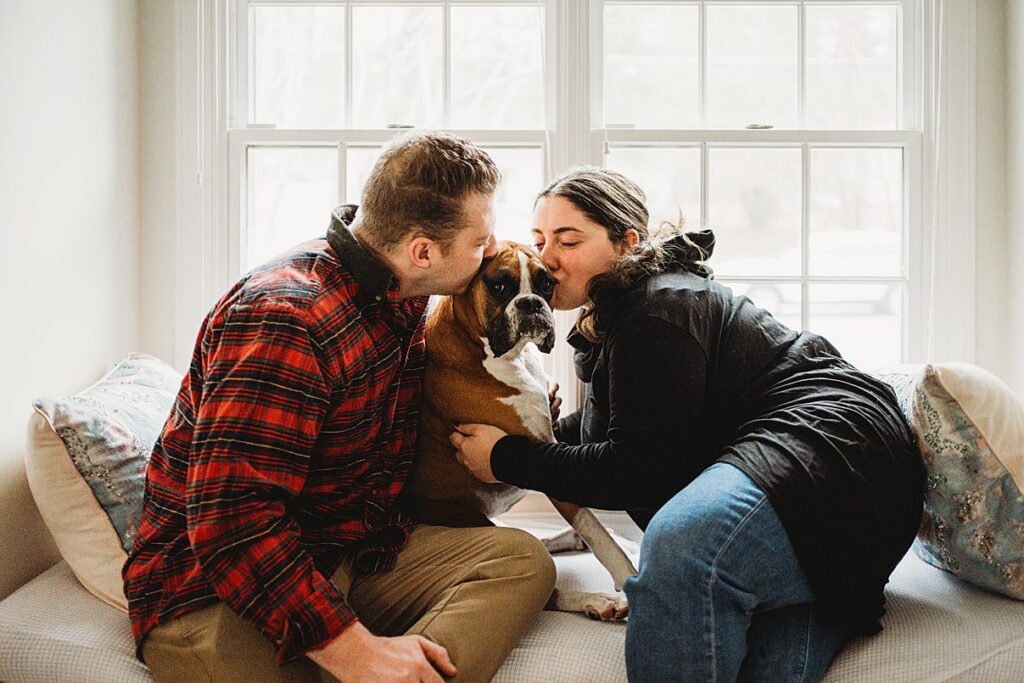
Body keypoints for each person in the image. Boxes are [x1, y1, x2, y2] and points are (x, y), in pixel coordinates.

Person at [450, 167, 925, 682]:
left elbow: (636, 468)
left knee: (682, 549)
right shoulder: (624, 314)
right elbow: (625, 432)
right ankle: (814, 594)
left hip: (832, 447)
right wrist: (526, 428)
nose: (547, 259)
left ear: (626, 241)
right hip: (846, 511)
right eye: (541, 240)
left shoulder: (658, 310)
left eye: (569, 240)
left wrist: (505, 458)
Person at [123, 131, 556, 683]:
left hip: (346, 549)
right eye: (482, 240)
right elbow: (232, 519)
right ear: (423, 250)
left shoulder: (400, 290)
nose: (491, 251)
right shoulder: (286, 318)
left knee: (521, 562)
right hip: (218, 591)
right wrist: (357, 653)